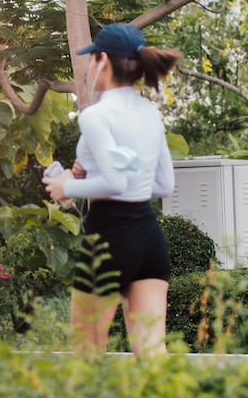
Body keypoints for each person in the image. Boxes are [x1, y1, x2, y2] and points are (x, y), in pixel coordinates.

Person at [42, 23, 180, 357]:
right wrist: (87, 176)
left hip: (110, 239)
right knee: (152, 354)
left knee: (87, 353)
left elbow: (116, 183)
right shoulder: (150, 112)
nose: (89, 68)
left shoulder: (96, 115)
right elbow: (164, 185)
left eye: (91, 60)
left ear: (103, 61)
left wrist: (66, 186)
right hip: (148, 239)